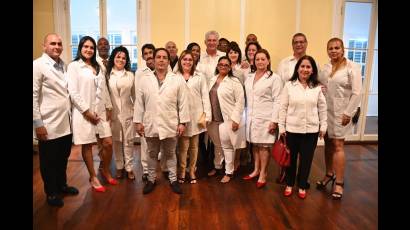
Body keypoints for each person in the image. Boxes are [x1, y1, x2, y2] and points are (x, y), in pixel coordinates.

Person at [134, 48, 190, 194]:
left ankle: (173, 179)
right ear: (153, 59)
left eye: (164, 57)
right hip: (150, 123)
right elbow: (139, 103)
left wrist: (182, 122)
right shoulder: (145, 79)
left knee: (171, 153)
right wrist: (138, 121)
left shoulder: (177, 79)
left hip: (170, 123)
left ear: (168, 60)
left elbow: (183, 102)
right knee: (152, 153)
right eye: (158, 57)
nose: (161, 60)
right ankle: (151, 179)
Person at [67, 36, 118, 193]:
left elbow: (104, 89)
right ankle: (93, 176)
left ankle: (104, 169)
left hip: (101, 111)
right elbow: (73, 92)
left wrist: (109, 106)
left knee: (108, 143)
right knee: (87, 145)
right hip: (84, 113)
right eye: (85, 47)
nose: (88, 50)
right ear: (80, 48)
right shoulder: (74, 66)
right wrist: (86, 111)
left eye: (91, 47)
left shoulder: (98, 66)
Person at [33, 33, 79, 207]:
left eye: (59, 43)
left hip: (65, 122)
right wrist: (38, 124)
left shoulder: (63, 65)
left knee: (63, 157)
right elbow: (33, 96)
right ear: (44, 46)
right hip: (48, 123)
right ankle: (51, 192)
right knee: (48, 161)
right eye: (52, 43)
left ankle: (62, 185)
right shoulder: (37, 65)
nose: (57, 46)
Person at [316, 38, 362, 200]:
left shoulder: (351, 67)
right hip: (326, 111)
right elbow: (319, 82)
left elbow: (357, 92)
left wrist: (348, 113)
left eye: (337, 48)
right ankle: (329, 174)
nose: (333, 51)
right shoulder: (326, 67)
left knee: (338, 144)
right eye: (330, 48)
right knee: (328, 141)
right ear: (327, 50)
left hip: (342, 112)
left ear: (342, 49)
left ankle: (339, 182)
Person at [279, 55, 327, 199]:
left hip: (311, 131)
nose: (305, 69)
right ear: (297, 68)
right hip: (292, 130)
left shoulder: (317, 87)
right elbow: (283, 107)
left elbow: (322, 108)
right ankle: (289, 183)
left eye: (308, 67)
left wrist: (323, 126)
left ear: (312, 70)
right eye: (302, 66)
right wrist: (281, 127)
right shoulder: (289, 85)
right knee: (291, 160)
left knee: (306, 160)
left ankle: (301, 185)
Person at [243, 49, 282, 189]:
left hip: (266, 117)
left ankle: (263, 174)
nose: (260, 61)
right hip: (252, 117)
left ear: (268, 61)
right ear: (254, 61)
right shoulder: (250, 76)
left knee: (264, 146)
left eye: (263, 59)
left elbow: (278, 100)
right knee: (255, 144)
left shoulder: (274, 78)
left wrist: (274, 121)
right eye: (257, 59)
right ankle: (255, 170)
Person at [207, 56, 246, 183]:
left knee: (227, 146)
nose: (223, 66)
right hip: (213, 118)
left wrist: (236, 119)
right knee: (217, 145)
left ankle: (229, 172)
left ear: (230, 67)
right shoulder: (212, 79)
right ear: (217, 66)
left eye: (226, 65)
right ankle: (217, 167)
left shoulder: (234, 82)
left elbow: (240, 101)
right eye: (221, 64)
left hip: (227, 119)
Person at [175, 50, 211, 184]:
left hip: (197, 115)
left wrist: (206, 115)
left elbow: (205, 97)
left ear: (193, 61)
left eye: (190, 60)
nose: (187, 62)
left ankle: (192, 170)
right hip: (181, 117)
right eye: (185, 59)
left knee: (194, 146)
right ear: (180, 61)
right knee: (183, 147)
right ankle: (182, 171)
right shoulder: (174, 76)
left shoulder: (199, 76)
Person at [106, 46, 136, 180]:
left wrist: (138, 114)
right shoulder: (107, 75)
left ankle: (129, 168)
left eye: (124, 58)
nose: (121, 60)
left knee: (128, 142)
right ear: (113, 58)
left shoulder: (130, 75)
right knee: (116, 142)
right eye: (118, 57)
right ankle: (119, 167)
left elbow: (135, 96)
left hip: (128, 113)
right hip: (112, 115)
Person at [134, 43, 155, 182]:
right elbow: (138, 97)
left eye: (151, 53)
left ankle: (164, 169)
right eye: (146, 53)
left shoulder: (165, 68)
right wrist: (139, 119)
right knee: (145, 144)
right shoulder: (139, 73)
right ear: (142, 56)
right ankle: (146, 170)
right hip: (146, 113)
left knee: (164, 144)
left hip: (161, 112)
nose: (149, 56)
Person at [96, 37, 113, 171]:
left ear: (109, 46)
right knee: (102, 137)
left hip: (116, 100)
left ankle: (120, 161)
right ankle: (102, 161)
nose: (103, 46)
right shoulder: (94, 63)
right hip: (100, 104)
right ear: (97, 47)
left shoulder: (114, 61)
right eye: (100, 44)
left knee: (115, 135)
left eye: (105, 44)